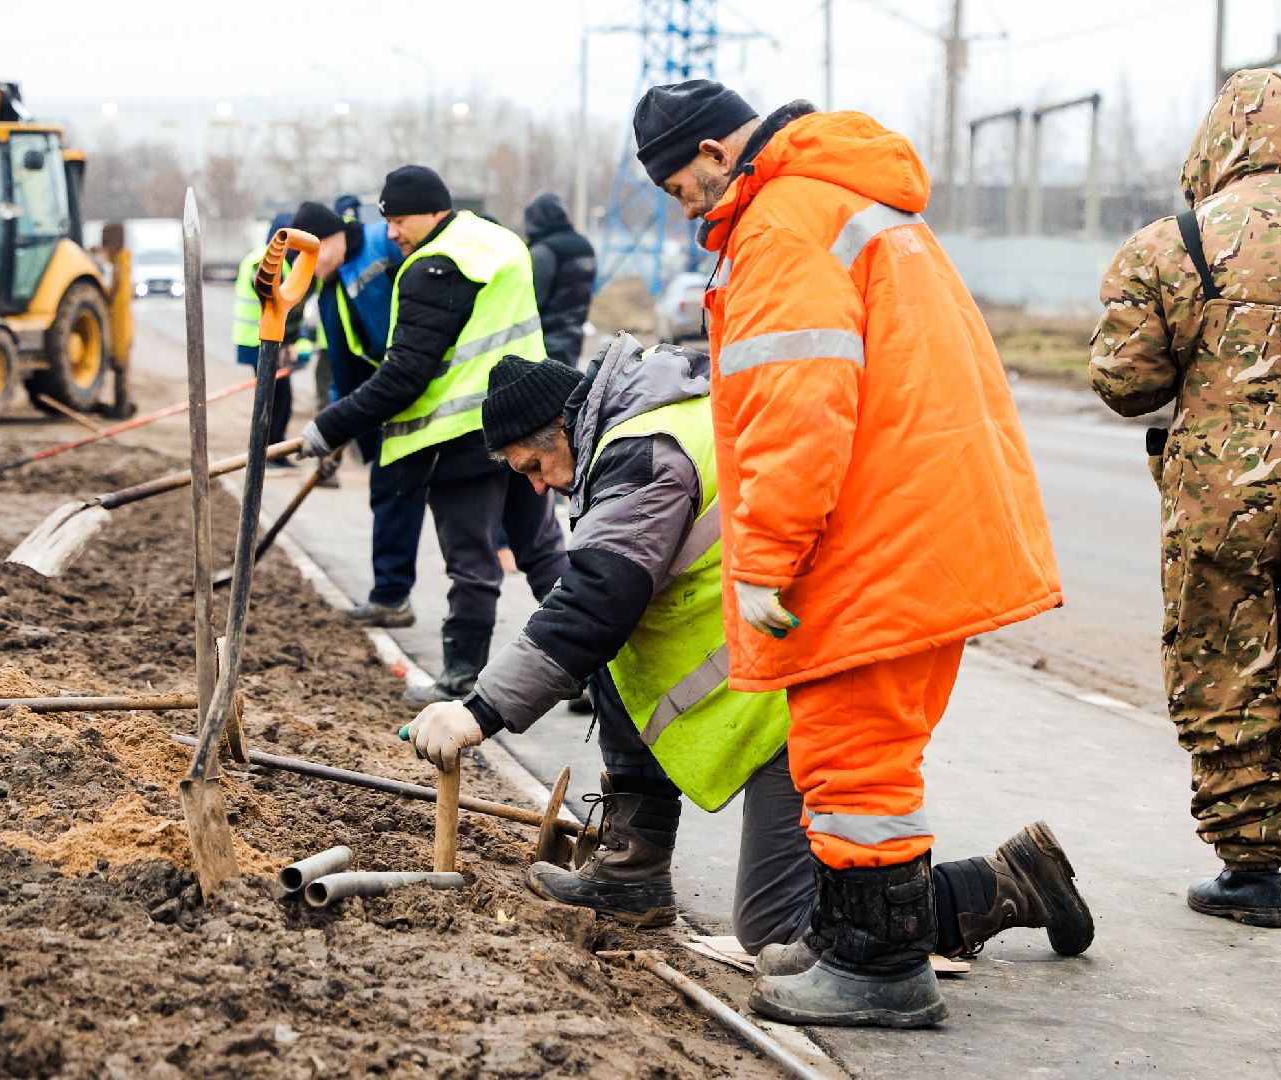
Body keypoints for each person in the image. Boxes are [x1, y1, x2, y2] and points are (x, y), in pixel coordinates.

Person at [402, 338, 1093, 968]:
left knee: (781, 929)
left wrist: (481, 710)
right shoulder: (639, 433)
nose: (536, 485)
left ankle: (1008, 881)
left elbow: (594, 600)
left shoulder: (644, 454)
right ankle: (631, 873)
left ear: (563, 427)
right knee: (608, 659)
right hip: (766, 675)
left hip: (802, 687)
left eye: (534, 466)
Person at [632, 80, 1065, 1027]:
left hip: (878, 529)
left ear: (714, 152)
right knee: (855, 749)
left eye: (681, 188)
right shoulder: (840, 198)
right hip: (914, 516)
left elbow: (795, 407)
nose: (687, 211)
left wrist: (765, 559)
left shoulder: (781, 223)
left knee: (854, 752)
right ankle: (847, 938)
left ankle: (879, 968)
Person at [1090, 69, 1281, 930]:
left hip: (1221, 505)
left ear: (1216, 142)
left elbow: (1126, 385)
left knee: (1223, 670)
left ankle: (1252, 875)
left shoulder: (1173, 243)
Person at [298, 165, 568, 702]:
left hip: (461, 438)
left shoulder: (433, 267)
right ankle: (588, 666)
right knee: (541, 550)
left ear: (431, 211)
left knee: (471, 563)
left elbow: (403, 375)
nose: (393, 232)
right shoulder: (495, 242)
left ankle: (461, 677)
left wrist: (329, 427)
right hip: (524, 425)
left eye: (400, 220)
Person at [289, 198, 428, 628]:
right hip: (390, 398)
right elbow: (344, 368)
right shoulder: (329, 293)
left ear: (329, 238)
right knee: (390, 490)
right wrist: (338, 424)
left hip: (426, 384)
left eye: (310, 256)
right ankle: (390, 597)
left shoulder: (381, 244)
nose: (307, 268)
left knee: (470, 498)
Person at [233, 214, 307, 455]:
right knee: (274, 401)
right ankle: (269, 452)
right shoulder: (265, 260)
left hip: (265, 339)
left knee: (279, 399)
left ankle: (273, 449)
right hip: (260, 340)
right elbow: (275, 302)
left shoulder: (275, 260)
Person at [523, 192, 597, 367]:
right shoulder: (585, 246)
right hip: (575, 336)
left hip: (544, 342)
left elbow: (532, 301)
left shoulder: (543, 251)